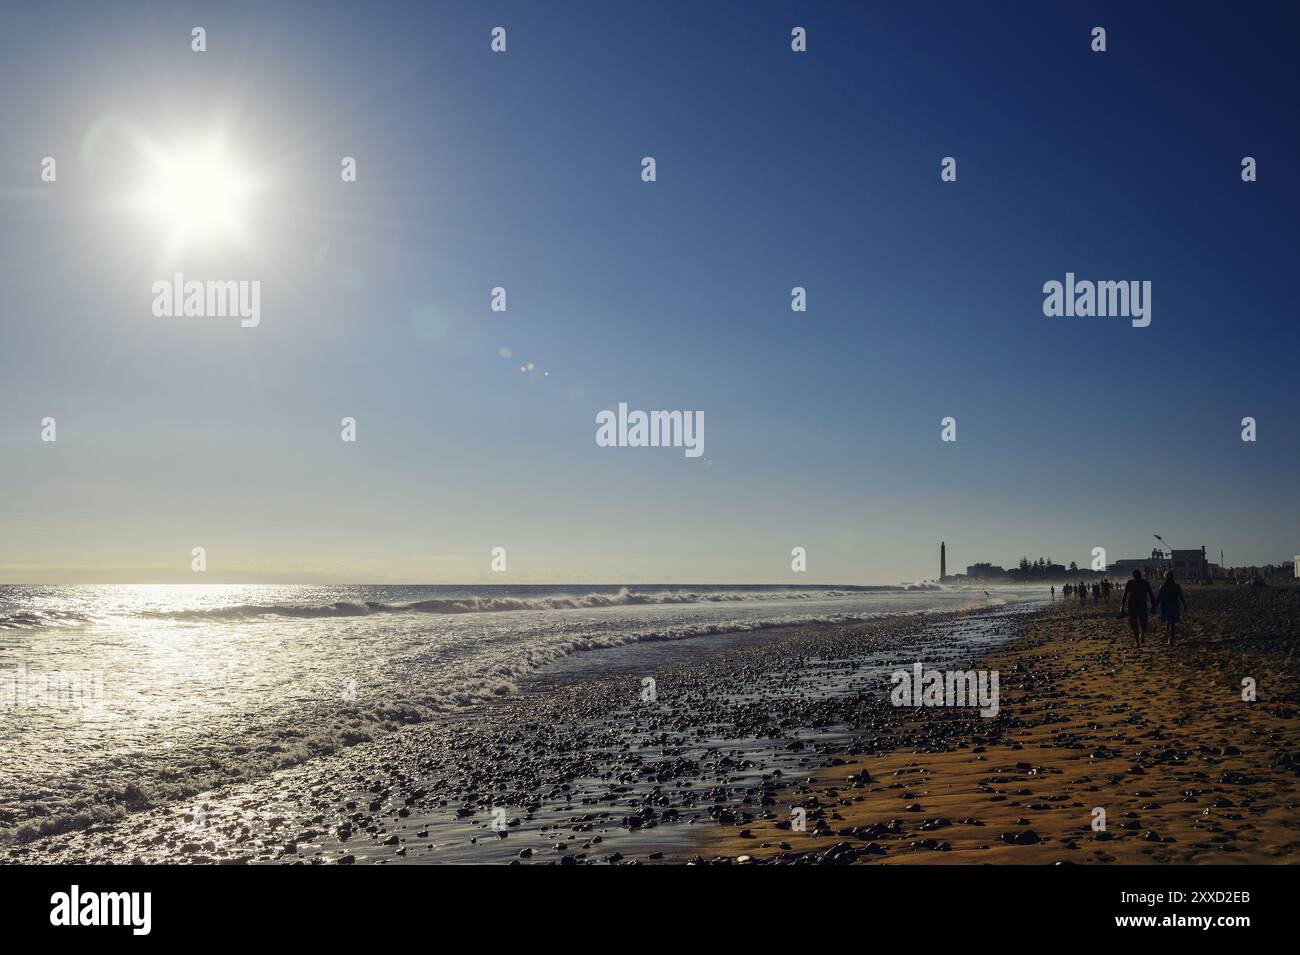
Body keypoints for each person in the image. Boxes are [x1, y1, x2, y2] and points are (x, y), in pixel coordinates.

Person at [1120, 569, 1156, 648]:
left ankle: (1142, 635)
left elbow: (1151, 594)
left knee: (1144, 623)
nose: (1137, 577)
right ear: (1134, 576)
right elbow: (1125, 595)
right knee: (1134, 624)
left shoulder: (1145, 583)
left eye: (1138, 575)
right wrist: (1122, 607)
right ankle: (1137, 642)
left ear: (1140, 576)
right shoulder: (1130, 583)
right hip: (1132, 606)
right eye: (1136, 576)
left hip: (1142, 605)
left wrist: (1153, 605)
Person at [1155, 570, 1188, 645]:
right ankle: (1170, 637)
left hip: (1170, 605)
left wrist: (1155, 606)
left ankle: (1170, 637)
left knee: (1170, 622)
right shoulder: (1166, 586)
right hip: (1169, 605)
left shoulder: (1171, 586)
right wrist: (1184, 606)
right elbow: (1159, 597)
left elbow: (1180, 596)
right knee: (1170, 622)